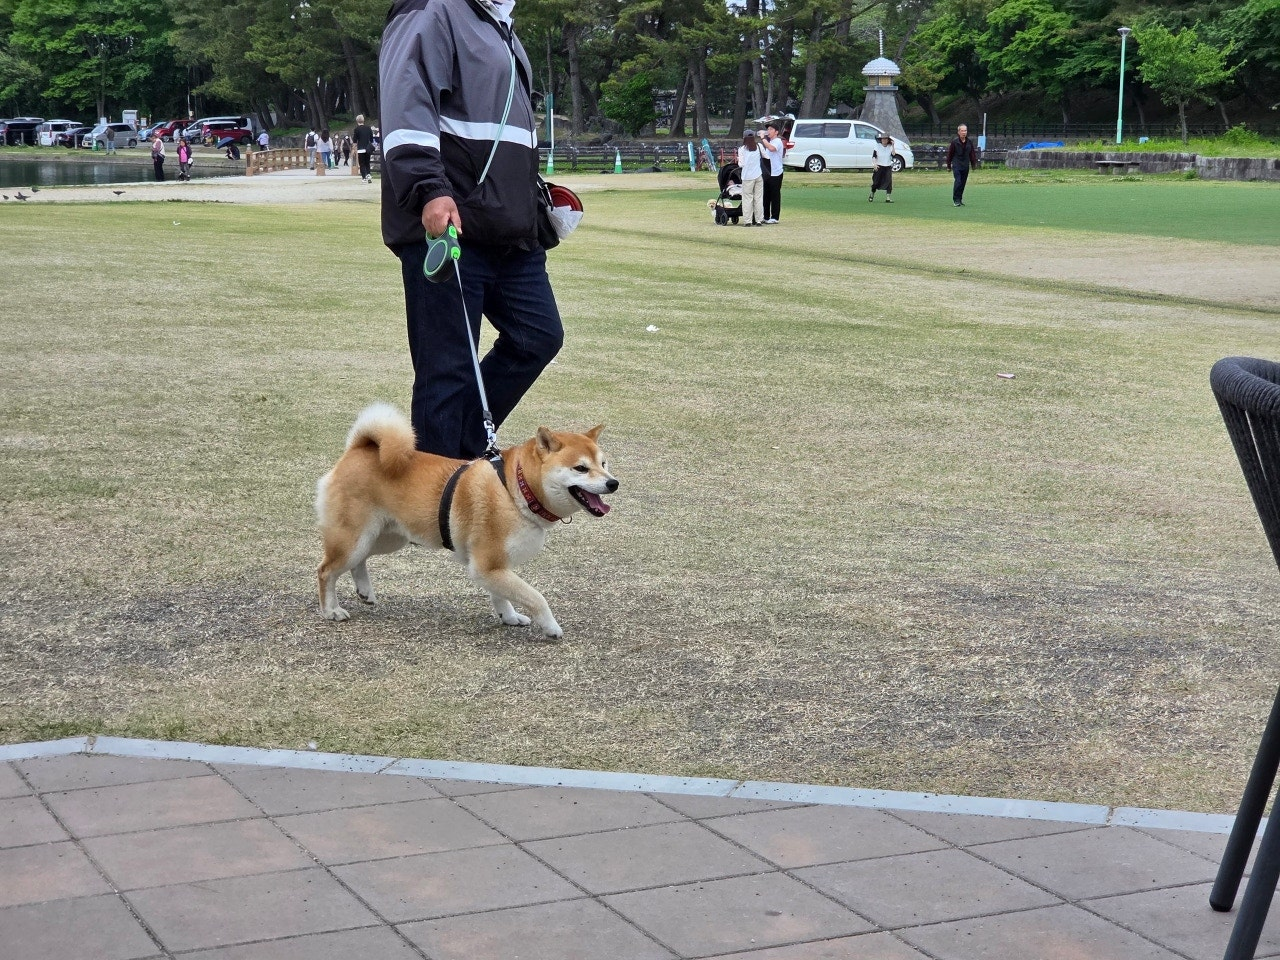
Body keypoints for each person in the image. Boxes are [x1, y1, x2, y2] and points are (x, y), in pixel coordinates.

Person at [380, 0, 564, 458]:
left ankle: (459, 455)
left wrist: (534, 198)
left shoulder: (501, 25)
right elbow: (408, 103)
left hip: (510, 228)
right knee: (447, 368)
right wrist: (428, 189)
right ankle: (436, 511)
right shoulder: (433, 10)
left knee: (538, 336)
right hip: (450, 224)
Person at [945, 123, 980, 207]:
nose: (964, 132)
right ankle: (955, 200)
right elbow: (950, 154)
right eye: (962, 130)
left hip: (965, 165)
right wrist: (949, 165)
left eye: (965, 130)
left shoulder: (969, 142)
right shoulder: (955, 142)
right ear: (958, 132)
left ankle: (960, 199)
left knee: (963, 183)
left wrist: (973, 164)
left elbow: (972, 154)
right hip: (957, 164)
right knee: (958, 181)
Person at [736, 130, 764, 226]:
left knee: (747, 198)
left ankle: (748, 221)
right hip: (758, 175)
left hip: (747, 177)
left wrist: (738, 160)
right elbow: (766, 156)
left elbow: (741, 164)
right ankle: (759, 220)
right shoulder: (759, 146)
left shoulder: (742, 149)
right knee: (758, 198)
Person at [760, 121, 785, 223]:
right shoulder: (768, 142)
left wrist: (763, 138)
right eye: (768, 129)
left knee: (775, 195)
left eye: (771, 129)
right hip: (767, 173)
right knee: (766, 195)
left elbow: (772, 149)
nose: (768, 131)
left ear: (776, 132)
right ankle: (765, 216)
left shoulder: (777, 141)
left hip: (776, 173)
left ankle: (775, 217)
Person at [869, 132, 895, 203]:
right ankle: (872, 194)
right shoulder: (877, 146)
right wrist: (874, 164)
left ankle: (888, 198)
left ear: (888, 140)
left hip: (887, 166)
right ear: (881, 140)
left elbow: (893, 154)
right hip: (879, 166)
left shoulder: (890, 146)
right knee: (876, 182)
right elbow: (874, 156)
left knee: (889, 182)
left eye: (886, 139)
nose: (884, 140)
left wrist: (893, 145)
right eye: (883, 139)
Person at [353, 114, 374, 183]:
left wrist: (354, 149)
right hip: (367, 148)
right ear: (363, 120)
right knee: (367, 162)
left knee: (362, 164)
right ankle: (369, 174)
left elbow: (355, 140)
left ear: (357, 121)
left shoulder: (356, 129)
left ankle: (364, 177)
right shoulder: (368, 128)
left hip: (361, 149)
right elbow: (371, 139)